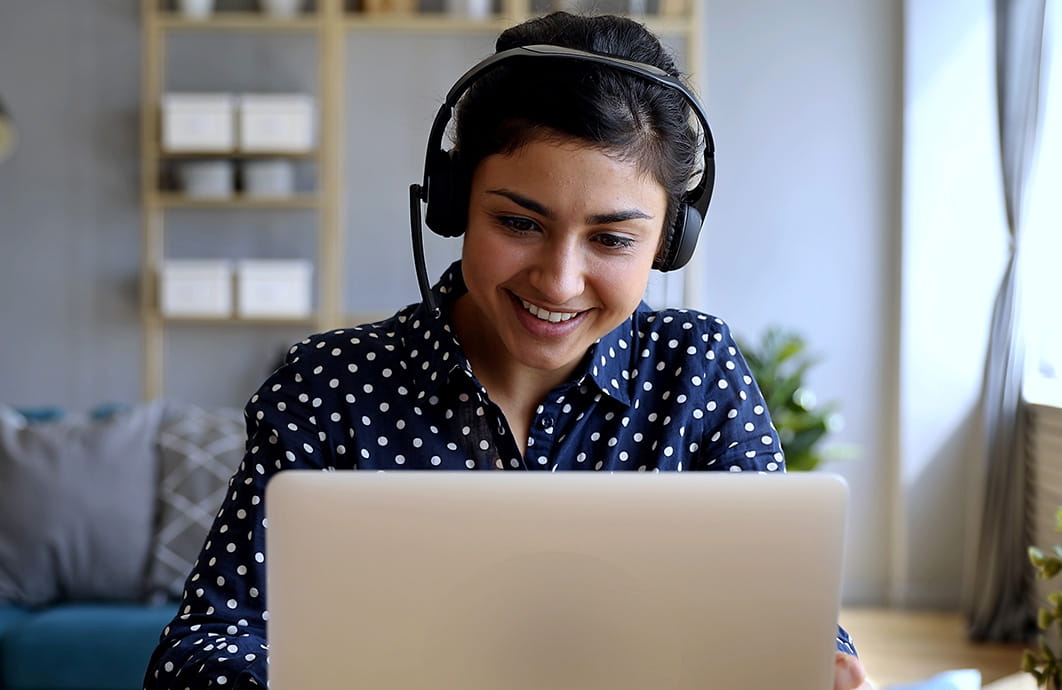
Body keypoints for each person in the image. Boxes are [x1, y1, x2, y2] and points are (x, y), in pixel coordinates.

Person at [143, 11, 870, 690]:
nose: (558, 280)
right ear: (454, 202)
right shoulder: (332, 387)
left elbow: (786, 622)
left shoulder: (697, 371)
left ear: (669, 243)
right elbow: (206, 642)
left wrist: (821, 668)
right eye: (519, 223)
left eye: (613, 239)